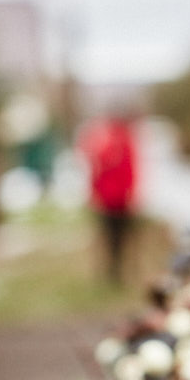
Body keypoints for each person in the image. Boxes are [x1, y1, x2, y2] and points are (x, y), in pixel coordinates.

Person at [79, 114, 138, 285]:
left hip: (116, 198)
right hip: (112, 198)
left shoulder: (115, 143)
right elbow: (97, 171)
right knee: (113, 236)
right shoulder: (110, 143)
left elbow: (128, 170)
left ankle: (116, 270)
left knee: (116, 236)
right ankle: (112, 270)